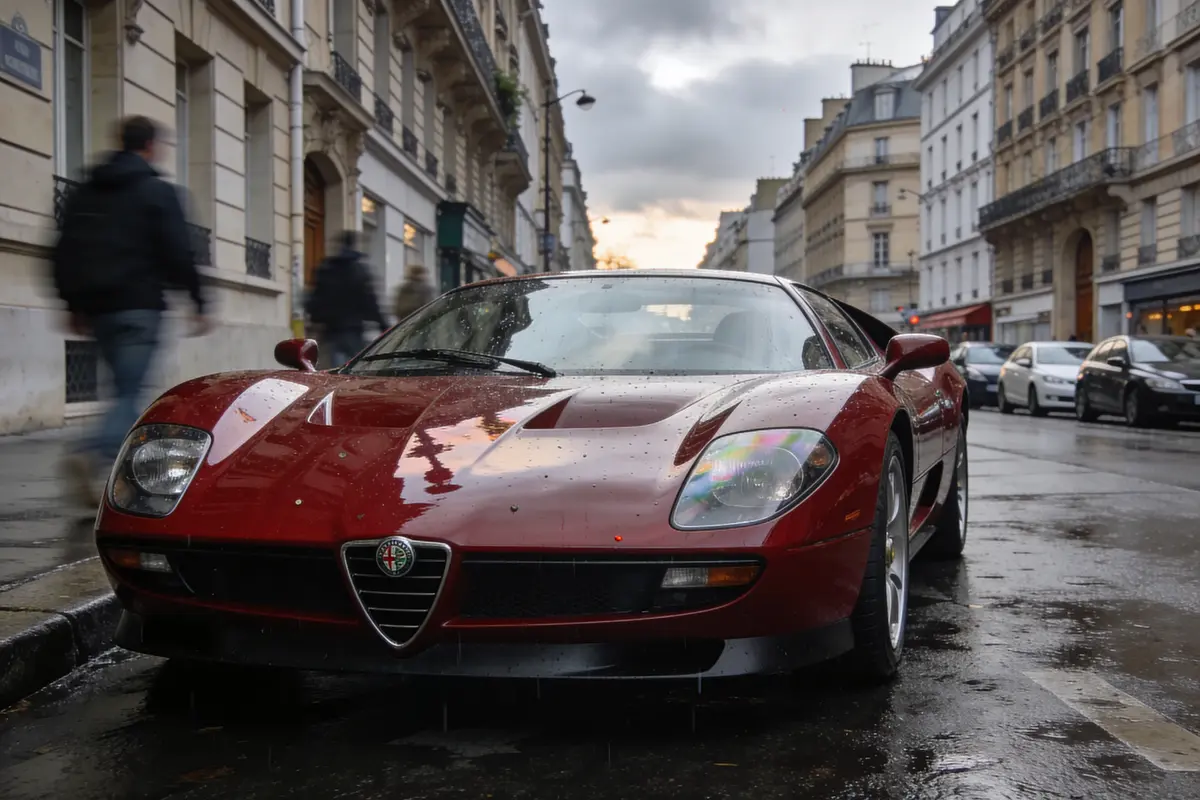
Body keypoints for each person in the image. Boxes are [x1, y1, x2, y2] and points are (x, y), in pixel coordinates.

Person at [52, 115, 209, 510]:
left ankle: (103, 459)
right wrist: (197, 300)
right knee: (128, 391)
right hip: (140, 306)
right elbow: (178, 249)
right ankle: (93, 450)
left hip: (98, 309)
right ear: (150, 146)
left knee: (117, 388)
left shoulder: (87, 190)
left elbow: (64, 247)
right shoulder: (156, 191)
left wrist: (72, 303)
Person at [305, 230, 387, 365]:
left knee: (334, 369)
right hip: (353, 329)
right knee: (355, 368)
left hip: (331, 330)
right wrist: (383, 325)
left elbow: (315, 298)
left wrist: (316, 319)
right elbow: (370, 301)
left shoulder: (326, 269)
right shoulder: (360, 270)